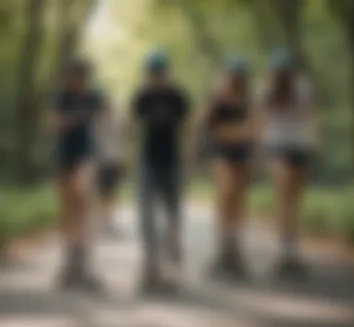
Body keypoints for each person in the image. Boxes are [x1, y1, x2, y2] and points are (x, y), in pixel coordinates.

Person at [129, 50, 190, 292]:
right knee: (146, 215)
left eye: (160, 72)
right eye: (152, 73)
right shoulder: (142, 96)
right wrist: (129, 156)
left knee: (173, 215)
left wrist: (190, 154)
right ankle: (150, 264)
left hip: (173, 161)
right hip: (148, 162)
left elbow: (188, 125)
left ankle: (171, 267)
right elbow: (133, 125)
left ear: (167, 72)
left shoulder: (177, 97)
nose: (156, 77)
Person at [194, 56, 257, 282]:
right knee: (226, 194)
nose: (235, 79)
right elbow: (203, 125)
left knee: (238, 200)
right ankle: (223, 248)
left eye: (239, 76)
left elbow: (254, 128)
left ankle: (234, 249)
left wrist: (232, 131)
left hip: (242, 153)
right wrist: (235, 131)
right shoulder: (217, 99)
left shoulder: (249, 100)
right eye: (232, 75)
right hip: (221, 154)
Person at [260, 48, 320, 277]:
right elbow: (260, 119)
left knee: (295, 200)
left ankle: (292, 252)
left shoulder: (303, 88)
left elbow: (312, 115)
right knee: (284, 195)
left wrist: (315, 139)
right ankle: (283, 252)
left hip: (300, 146)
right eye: (277, 71)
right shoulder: (265, 90)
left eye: (284, 71)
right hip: (277, 147)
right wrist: (260, 147)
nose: (280, 75)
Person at [50, 58, 107, 293]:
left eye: (82, 75)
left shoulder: (94, 97)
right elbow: (54, 123)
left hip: (86, 155)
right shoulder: (61, 96)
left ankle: (83, 265)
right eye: (75, 75)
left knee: (83, 202)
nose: (79, 80)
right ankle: (69, 263)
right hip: (64, 156)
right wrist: (74, 119)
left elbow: (106, 119)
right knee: (68, 209)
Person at [95, 106, 126, 237]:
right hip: (101, 164)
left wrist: (122, 163)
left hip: (113, 164)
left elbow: (120, 148)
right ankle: (102, 221)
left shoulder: (116, 129)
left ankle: (108, 221)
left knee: (111, 193)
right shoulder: (97, 129)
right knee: (102, 194)